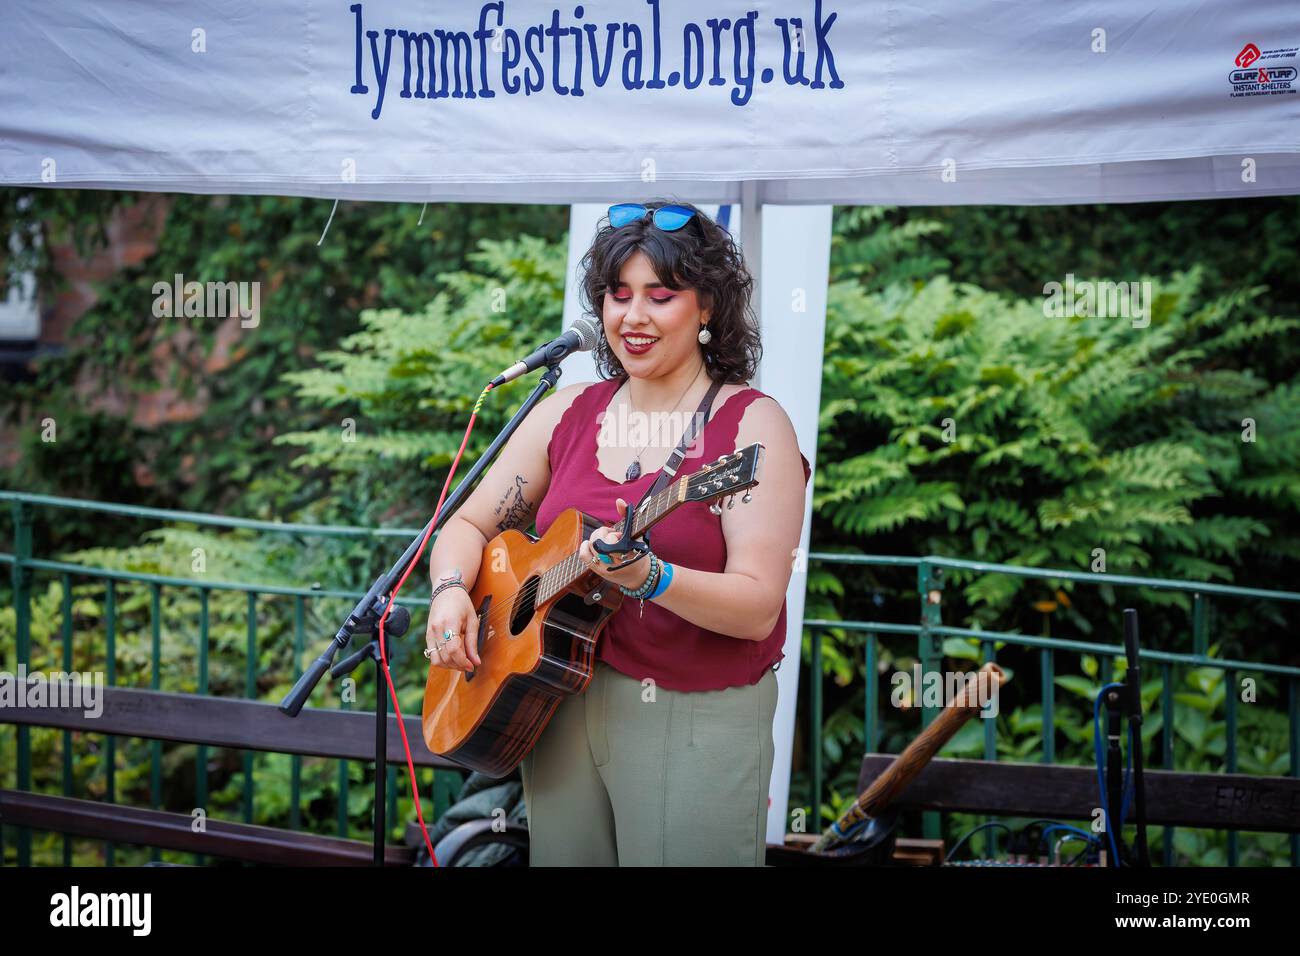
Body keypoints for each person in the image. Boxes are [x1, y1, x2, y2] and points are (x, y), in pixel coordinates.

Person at [423, 199, 811, 865]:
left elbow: (756, 607)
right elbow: (464, 522)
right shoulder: (567, 410)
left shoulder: (750, 426)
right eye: (617, 294)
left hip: (694, 714)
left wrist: (650, 577)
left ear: (708, 308)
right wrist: (452, 590)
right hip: (554, 703)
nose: (633, 317)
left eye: (660, 296)